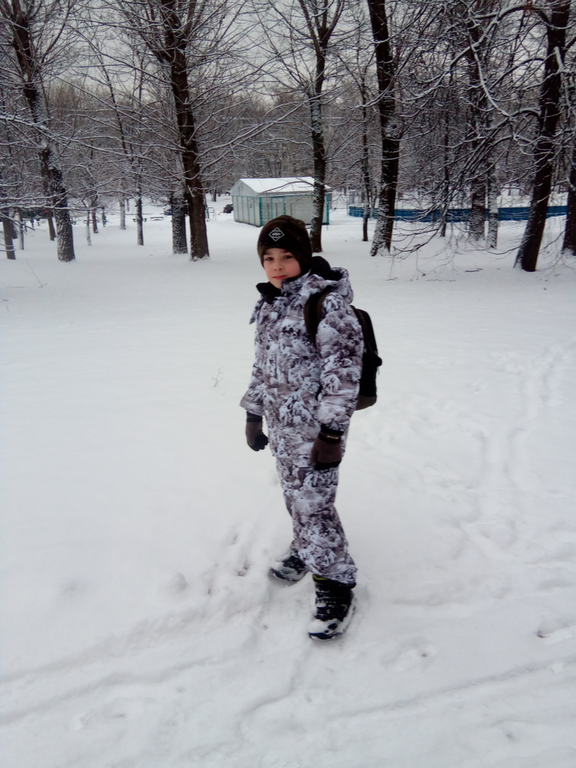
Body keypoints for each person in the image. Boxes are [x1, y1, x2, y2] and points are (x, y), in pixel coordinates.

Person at [240, 215, 363, 640]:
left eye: (287, 257)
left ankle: (335, 583)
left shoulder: (327, 305)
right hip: (283, 428)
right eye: (268, 258)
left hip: (317, 432)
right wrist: (254, 414)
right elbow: (262, 367)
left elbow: (343, 375)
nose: (276, 266)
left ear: (304, 257)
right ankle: (307, 546)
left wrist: (331, 434)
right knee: (296, 497)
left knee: (315, 505)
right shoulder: (270, 305)